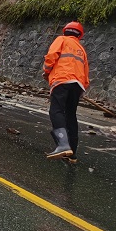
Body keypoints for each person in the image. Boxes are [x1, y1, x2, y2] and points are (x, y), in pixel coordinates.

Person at [43, 21, 89, 161]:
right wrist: (82, 87)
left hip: (62, 79)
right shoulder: (81, 49)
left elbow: (51, 56)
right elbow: (86, 71)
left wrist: (46, 72)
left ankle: (63, 144)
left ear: (65, 31)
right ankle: (72, 153)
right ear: (79, 35)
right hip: (78, 84)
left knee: (56, 111)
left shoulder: (61, 39)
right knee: (70, 115)